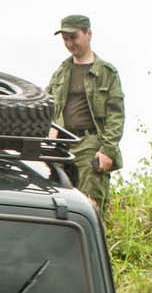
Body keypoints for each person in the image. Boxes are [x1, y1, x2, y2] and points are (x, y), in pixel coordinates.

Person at [47, 14, 124, 210]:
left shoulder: (107, 73)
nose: (69, 43)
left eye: (73, 37)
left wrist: (107, 151)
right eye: (65, 39)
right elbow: (46, 104)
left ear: (88, 34)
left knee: (90, 207)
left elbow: (116, 116)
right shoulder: (61, 72)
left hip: (90, 145)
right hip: (61, 147)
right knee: (58, 205)